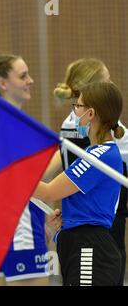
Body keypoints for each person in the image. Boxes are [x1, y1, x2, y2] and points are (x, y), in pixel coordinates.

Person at [34, 81, 124, 286]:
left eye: (78, 106)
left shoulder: (99, 156)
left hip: (90, 248)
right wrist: (72, 215)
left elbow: (49, 191)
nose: (75, 111)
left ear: (90, 113)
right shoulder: (94, 153)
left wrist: (8, 176)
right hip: (80, 244)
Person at [0, 55, 50, 286]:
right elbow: (25, 178)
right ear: (3, 83)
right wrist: (71, 152)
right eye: (23, 75)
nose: (31, 80)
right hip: (19, 228)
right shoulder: (8, 125)